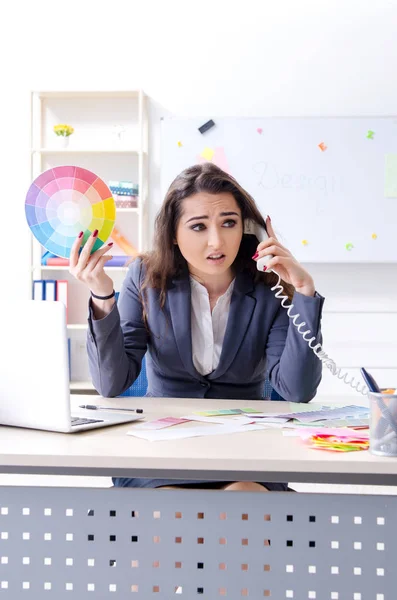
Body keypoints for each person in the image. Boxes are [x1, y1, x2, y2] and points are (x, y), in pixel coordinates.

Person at [70, 163, 325, 493]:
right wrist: (102, 295)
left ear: (246, 229)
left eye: (228, 223)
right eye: (198, 227)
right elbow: (110, 382)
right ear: (173, 235)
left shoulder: (267, 283)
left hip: (245, 450)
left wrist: (304, 292)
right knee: (171, 509)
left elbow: (297, 390)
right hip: (162, 449)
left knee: (242, 499)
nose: (216, 241)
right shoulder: (145, 276)